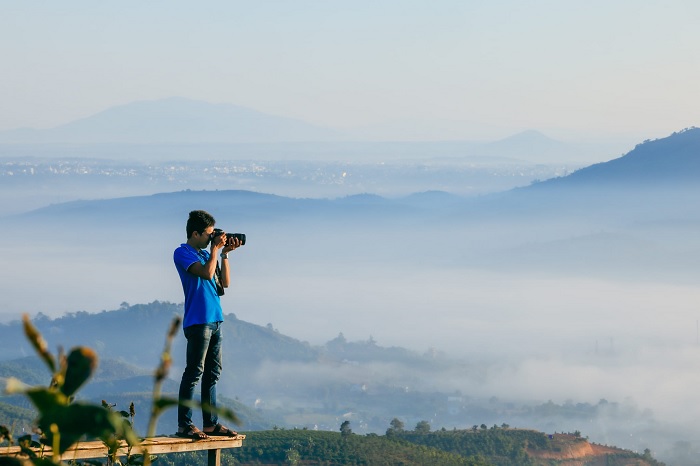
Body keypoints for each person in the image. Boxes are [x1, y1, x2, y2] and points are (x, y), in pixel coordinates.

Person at [173, 210, 242, 440]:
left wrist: (225, 254)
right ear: (195, 233)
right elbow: (205, 274)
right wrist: (214, 250)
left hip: (215, 319)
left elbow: (225, 283)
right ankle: (185, 424)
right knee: (194, 372)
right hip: (198, 321)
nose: (212, 238)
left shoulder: (206, 254)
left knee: (212, 373)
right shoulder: (182, 253)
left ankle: (210, 424)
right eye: (209, 234)